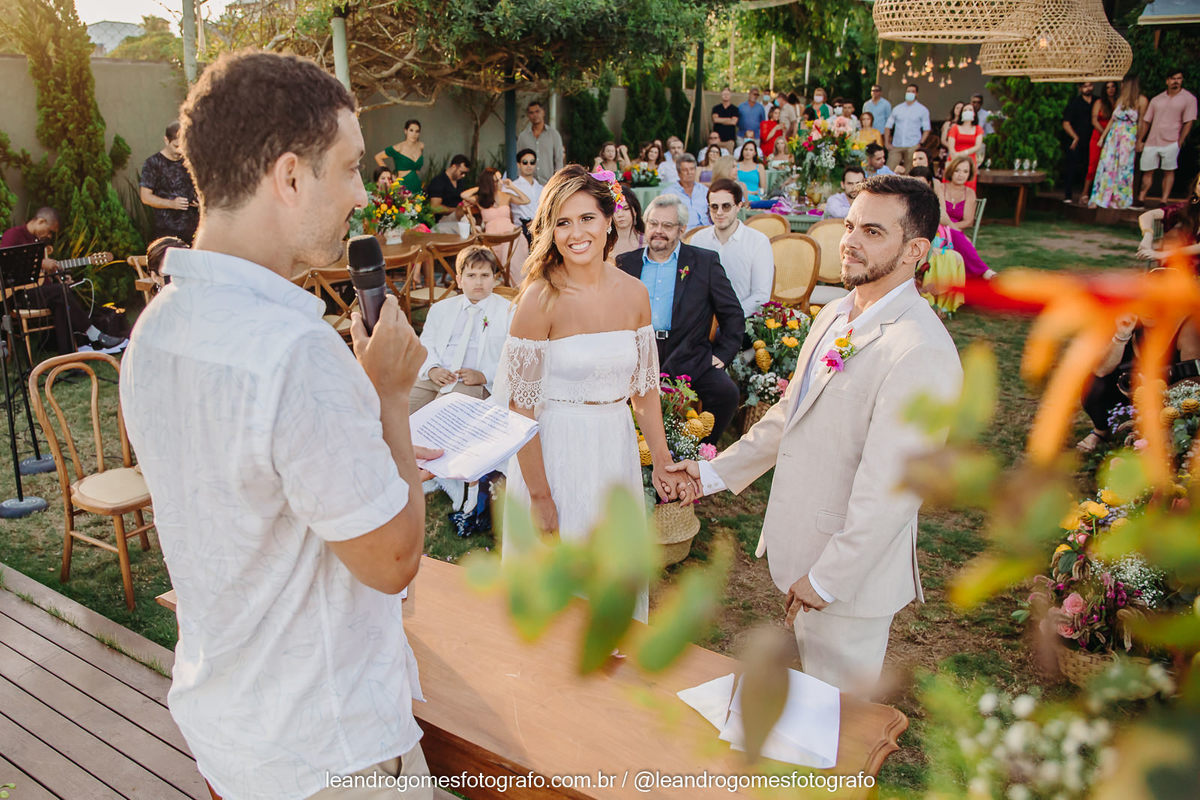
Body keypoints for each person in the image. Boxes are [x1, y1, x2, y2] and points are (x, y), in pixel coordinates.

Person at [119, 50, 438, 800]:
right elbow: (392, 560)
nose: (362, 193)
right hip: (331, 749)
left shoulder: (155, 328)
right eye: (351, 168)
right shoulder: (294, 352)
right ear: (290, 177)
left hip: (234, 731)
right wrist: (390, 398)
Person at [668, 174, 964, 696]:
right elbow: (790, 415)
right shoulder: (833, 314)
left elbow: (893, 490)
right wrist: (710, 473)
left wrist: (828, 580)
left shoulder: (921, 351)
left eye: (873, 231)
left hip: (849, 581)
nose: (850, 241)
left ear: (915, 251)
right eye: (850, 226)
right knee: (807, 710)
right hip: (804, 550)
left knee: (839, 718)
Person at [497, 166, 688, 623]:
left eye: (586, 218)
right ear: (549, 231)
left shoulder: (635, 293)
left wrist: (662, 461)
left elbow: (644, 390)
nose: (576, 233)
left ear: (609, 220)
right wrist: (540, 497)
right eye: (562, 222)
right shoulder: (539, 299)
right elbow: (520, 407)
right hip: (555, 452)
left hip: (614, 450)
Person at [615, 193, 743, 444]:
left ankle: (696, 451)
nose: (658, 231)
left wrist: (723, 354)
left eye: (667, 225)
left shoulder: (704, 262)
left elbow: (733, 314)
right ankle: (634, 450)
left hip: (689, 353)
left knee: (726, 393)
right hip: (637, 354)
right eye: (653, 224)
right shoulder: (626, 264)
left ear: (681, 229)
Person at [0, 208, 129, 354]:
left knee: (62, 297)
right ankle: (93, 334)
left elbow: (41, 278)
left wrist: (57, 277)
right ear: (41, 221)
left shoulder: (39, 242)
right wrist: (41, 263)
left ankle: (68, 353)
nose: (49, 236)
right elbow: (6, 263)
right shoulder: (14, 234)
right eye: (50, 231)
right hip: (17, 295)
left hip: (38, 293)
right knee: (60, 293)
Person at [1075, 308, 1200, 454]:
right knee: (1093, 384)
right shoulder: (1127, 320)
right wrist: (1121, 337)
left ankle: (1162, 436)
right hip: (1134, 395)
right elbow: (1101, 370)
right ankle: (1101, 431)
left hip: (1172, 399)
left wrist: (1156, 392)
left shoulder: (1186, 325)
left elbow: (1195, 381)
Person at [410, 244, 512, 413]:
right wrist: (432, 369)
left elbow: (515, 357)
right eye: (471, 275)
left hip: (473, 381)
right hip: (436, 376)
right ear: (459, 280)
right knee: (399, 411)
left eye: (485, 275)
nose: (478, 282)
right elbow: (425, 343)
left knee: (441, 416)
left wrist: (484, 375)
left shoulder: (508, 312)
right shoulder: (441, 308)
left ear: (494, 278)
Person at [689, 178, 774, 320]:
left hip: (743, 319)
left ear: (738, 206)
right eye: (714, 207)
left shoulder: (758, 242)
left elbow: (761, 296)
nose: (719, 212)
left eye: (726, 206)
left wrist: (729, 315)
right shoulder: (698, 240)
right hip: (703, 320)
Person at [1137, 68, 1197, 206]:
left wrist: (1180, 140)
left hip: (1171, 140)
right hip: (1152, 140)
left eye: (1179, 78)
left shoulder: (1189, 99)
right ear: (1167, 81)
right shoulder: (1157, 99)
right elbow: (1147, 121)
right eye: (1173, 79)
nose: (1176, 81)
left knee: (1168, 171)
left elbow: (1188, 121)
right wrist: (1140, 139)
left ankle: (1164, 200)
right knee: (1147, 170)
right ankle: (1141, 198)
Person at [1089, 76, 1147, 210]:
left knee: (1124, 167)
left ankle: (1119, 199)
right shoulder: (1120, 100)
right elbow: (1112, 119)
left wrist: (1139, 139)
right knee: (1107, 165)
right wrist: (1103, 137)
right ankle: (1100, 197)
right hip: (1114, 135)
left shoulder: (1141, 100)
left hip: (1128, 136)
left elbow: (1141, 122)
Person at [461, 167, 530, 277]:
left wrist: (512, 186)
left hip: (510, 233)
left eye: (500, 179)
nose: (500, 182)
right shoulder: (480, 199)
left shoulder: (505, 195)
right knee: (508, 246)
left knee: (514, 243)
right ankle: (513, 280)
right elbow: (464, 195)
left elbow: (526, 200)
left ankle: (518, 281)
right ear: (489, 182)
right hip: (493, 238)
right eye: (496, 180)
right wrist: (482, 187)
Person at [138, 120, 199, 244]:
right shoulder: (153, 164)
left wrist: (199, 201)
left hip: (194, 231)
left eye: (183, 146)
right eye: (176, 146)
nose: (180, 151)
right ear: (166, 140)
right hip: (167, 232)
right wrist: (172, 204)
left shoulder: (190, 161)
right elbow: (145, 197)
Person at [941, 157, 996, 279]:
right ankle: (984, 272)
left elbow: (968, 221)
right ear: (951, 171)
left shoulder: (970, 193)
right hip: (938, 229)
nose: (961, 175)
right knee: (956, 235)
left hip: (956, 232)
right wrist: (949, 228)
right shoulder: (940, 188)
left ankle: (982, 273)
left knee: (954, 233)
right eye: (957, 170)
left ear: (969, 174)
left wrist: (951, 228)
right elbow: (938, 214)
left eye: (965, 171)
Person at [1136, 174, 1200, 263]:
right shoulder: (1189, 208)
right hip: (1185, 264)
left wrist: (1162, 254)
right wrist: (1148, 236)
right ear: (1195, 188)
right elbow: (1148, 215)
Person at [1061, 83, 1096, 204]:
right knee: (1071, 167)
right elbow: (1066, 123)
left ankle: (1087, 195)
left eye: (1090, 85)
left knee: (1090, 167)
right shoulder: (1074, 103)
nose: (1088, 88)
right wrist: (1075, 137)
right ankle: (1068, 195)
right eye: (1085, 86)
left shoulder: (1097, 101)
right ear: (1080, 88)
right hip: (1076, 140)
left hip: (1092, 140)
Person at [516, 100, 564, 184]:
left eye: (537, 111)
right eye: (531, 113)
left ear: (543, 112)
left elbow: (559, 160)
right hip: (528, 184)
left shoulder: (553, 135)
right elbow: (518, 160)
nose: (535, 115)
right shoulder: (523, 136)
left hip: (548, 183)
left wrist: (557, 181)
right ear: (528, 115)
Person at [885, 84, 931, 171]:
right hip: (896, 145)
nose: (910, 93)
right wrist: (887, 143)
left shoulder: (922, 110)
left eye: (912, 91)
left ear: (916, 94)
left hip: (913, 145)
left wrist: (920, 143)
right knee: (889, 169)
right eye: (908, 91)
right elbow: (888, 126)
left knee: (909, 170)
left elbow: (927, 129)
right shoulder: (897, 109)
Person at [373, 118, 425, 194]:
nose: (414, 134)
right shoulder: (398, 148)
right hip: (402, 186)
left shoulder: (421, 146)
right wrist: (390, 175)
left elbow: (417, 169)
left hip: (417, 185)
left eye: (417, 131)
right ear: (405, 131)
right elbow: (378, 157)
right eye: (411, 130)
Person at [426, 154, 472, 233]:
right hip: (443, 219)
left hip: (458, 217)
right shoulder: (438, 181)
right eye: (462, 172)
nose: (463, 175)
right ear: (454, 167)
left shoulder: (460, 182)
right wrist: (456, 210)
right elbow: (434, 207)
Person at [664, 153, 710, 227]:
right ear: (678, 173)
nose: (689, 173)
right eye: (685, 170)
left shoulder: (705, 191)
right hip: (684, 232)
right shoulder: (669, 193)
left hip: (707, 230)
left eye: (692, 169)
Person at [1088, 81, 1119, 190]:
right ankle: (1085, 192)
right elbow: (1094, 121)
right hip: (1098, 135)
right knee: (1093, 164)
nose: (1111, 89)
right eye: (1108, 87)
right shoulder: (1099, 102)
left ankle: (1103, 190)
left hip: (1113, 136)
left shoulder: (1119, 102)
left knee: (1110, 165)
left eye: (1113, 86)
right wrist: (1104, 134)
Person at [945, 104, 983, 191]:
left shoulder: (978, 129)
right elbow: (951, 147)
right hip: (954, 159)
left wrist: (963, 153)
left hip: (970, 161)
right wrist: (956, 156)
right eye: (965, 110)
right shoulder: (954, 128)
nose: (967, 112)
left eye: (970, 110)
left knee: (968, 188)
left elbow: (978, 146)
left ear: (974, 113)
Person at [509, 148, 543, 243]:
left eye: (532, 162)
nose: (529, 165)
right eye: (525, 162)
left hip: (540, 227)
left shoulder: (541, 188)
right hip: (521, 229)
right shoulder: (512, 187)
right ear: (518, 164)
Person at [611, 183, 645, 259]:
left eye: (626, 209)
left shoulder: (648, 243)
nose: (620, 214)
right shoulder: (603, 244)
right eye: (615, 210)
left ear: (635, 211)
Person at [712, 86, 739, 153]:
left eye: (727, 94)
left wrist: (720, 120)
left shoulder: (734, 109)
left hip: (729, 140)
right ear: (721, 95)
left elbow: (733, 122)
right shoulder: (716, 108)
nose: (726, 96)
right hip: (717, 139)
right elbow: (715, 120)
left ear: (730, 95)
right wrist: (729, 119)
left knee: (728, 157)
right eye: (724, 94)